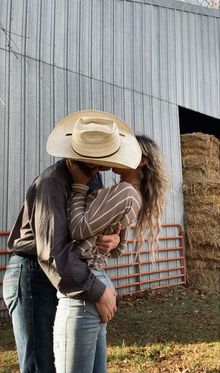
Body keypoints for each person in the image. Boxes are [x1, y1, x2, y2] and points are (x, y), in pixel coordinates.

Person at [2, 110, 141, 373]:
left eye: (104, 161)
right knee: (41, 365)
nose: (102, 168)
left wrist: (113, 237)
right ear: (77, 157)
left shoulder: (92, 176)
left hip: (65, 273)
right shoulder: (51, 184)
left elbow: (90, 226)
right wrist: (98, 290)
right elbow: (52, 253)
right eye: (95, 163)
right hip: (34, 275)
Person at [52, 135, 169, 373]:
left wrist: (78, 185)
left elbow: (78, 228)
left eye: (125, 150)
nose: (118, 152)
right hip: (96, 277)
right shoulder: (129, 193)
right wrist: (114, 239)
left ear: (141, 161)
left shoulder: (125, 192)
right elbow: (119, 248)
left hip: (84, 284)